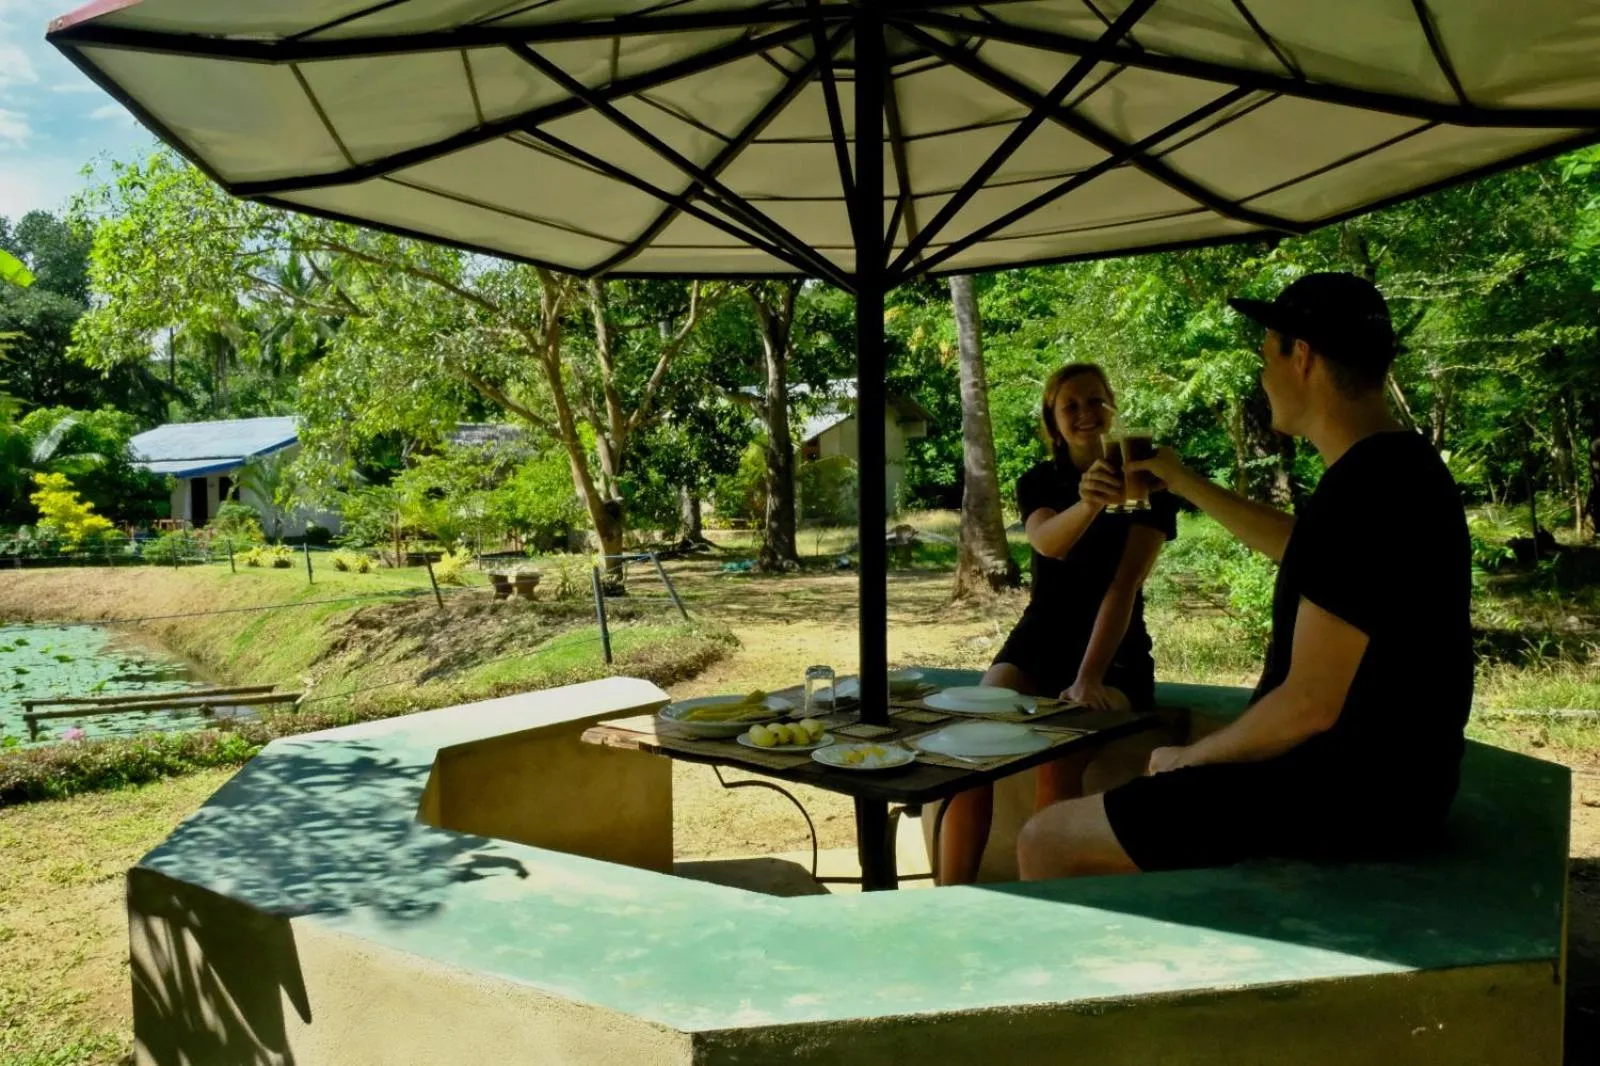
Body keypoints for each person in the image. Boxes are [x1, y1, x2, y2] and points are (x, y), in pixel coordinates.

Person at [1015, 272, 1472, 880]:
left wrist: (1192, 757)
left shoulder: (1364, 491)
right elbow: (1307, 548)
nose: (1263, 377)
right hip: (1399, 781)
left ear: (1301, 357)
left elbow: (1310, 704)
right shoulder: (1400, 466)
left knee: (1047, 839)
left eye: (1266, 356)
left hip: (1342, 794)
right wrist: (1184, 481)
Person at [939, 363, 1177, 885]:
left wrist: (1089, 677)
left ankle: (1049, 904)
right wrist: (1091, 501)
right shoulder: (1040, 481)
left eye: (1096, 401)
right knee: (968, 749)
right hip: (1040, 637)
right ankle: (948, 900)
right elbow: (1049, 543)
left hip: (1114, 650)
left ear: (1114, 407)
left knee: (1057, 755)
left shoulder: (1152, 481)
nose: (1086, 414)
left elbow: (1123, 588)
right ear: (1053, 420)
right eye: (1071, 405)